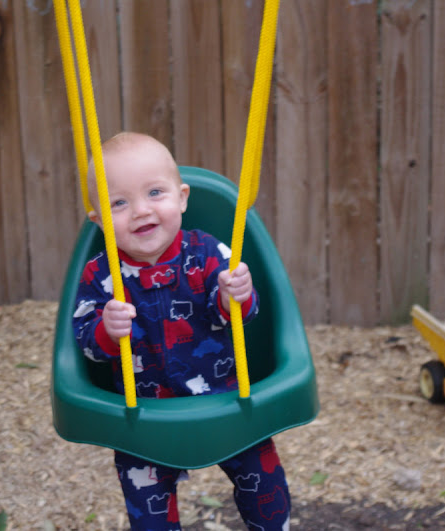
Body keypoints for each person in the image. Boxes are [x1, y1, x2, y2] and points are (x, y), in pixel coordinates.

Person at [72, 132, 290, 530]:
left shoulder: (208, 253)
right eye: (119, 203)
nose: (141, 211)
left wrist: (235, 296)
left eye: (155, 193)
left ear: (182, 198)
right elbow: (86, 345)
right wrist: (106, 330)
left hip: (226, 401)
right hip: (144, 419)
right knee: (149, 513)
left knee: (266, 487)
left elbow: (241, 316)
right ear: (99, 220)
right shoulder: (99, 275)